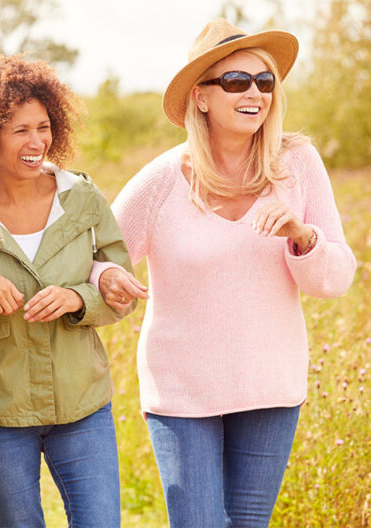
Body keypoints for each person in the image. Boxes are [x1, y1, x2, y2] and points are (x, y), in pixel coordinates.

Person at [92, 18, 356, 527]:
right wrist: (106, 276)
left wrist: (303, 237)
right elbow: (98, 254)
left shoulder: (298, 164)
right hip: (182, 390)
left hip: (270, 385)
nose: (254, 92)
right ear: (201, 97)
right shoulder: (162, 179)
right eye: (236, 81)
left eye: (265, 81)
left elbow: (337, 278)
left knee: (249, 522)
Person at [0, 55, 133, 528]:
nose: (37, 142)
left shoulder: (82, 198)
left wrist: (78, 299)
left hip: (81, 403)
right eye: (19, 130)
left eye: (43, 127)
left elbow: (118, 285)